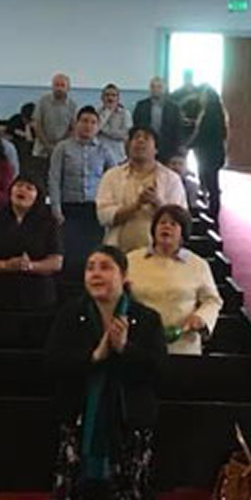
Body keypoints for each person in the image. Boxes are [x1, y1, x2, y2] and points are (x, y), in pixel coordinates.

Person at [47, 245, 166, 500]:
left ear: (124, 276)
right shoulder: (71, 316)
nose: (96, 274)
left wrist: (125, 349)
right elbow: (52, 366)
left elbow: (157, 372)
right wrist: (94, 357)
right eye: (90, 268)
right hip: (80, 430)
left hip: (129, 432)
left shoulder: (146, 319)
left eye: (105, 267)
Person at [127, 205, 222, 355]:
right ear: (153, 229)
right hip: (141, 346)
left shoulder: (197, 264)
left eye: (173, 224)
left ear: (183, 233)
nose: (166, 227)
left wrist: (201, 317)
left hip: (182, 345)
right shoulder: (131, 260)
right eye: (162, 222)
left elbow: (212, 300)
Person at [0, 176, 64, 310]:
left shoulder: (49, 222)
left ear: (38, 196)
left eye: (29, 188)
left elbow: (56, 262)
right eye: (19, 186)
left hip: (38, 296)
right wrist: (5, 265)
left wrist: (29, 266)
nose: (22, 190)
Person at [49, 106, 117, 277]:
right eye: (84, 121)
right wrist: (56, 209)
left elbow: (114, 179)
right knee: (70, 254)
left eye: (93, 122)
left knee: (92, 255)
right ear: (76, 123)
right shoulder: (62, 148)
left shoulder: (105, 150)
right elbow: (54, 178)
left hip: (94, 210)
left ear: (97, 126)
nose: (88, 126)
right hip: (69, 209)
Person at [96, 127, 188, 253]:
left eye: (146, 138)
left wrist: (158, 204)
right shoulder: (111, 176)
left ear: (156, 149)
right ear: (128, 146)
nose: (140, 141)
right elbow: (104, 216)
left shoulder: (172, 179)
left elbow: (181, 219)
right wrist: (136, 205)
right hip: (119, 252)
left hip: (160, 253)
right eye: (136, 137)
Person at [187, 85, 227, 221]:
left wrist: (187, 146)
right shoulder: (216, 112)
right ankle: (210, 207)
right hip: (212, 153)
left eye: (202, 95)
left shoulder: (210, 113)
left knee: (212, 184)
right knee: (210, 182)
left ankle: (213, 211)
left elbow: (203, 135)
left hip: (209, 154)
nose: (200, 98)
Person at [32, 73, 78, 181]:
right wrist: (47, 145)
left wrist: (59, 146)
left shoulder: (73, 105)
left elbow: (73, 128)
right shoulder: (43, 101)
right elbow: (36, 124)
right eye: (56, 85)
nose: (59, 88)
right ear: (52, 86)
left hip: (63, 151)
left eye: (62, 85)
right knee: (38, 180)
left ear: (68, 88)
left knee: (58, 180)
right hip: (41, 150)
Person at [132, 77, 182, 162]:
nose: (156, 89)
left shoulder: (174, 108)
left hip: (168, 148)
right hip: (145, 146)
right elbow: (136, 127)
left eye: (159, 87)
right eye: (153, 87)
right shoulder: (141, 106)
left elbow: (178, 129)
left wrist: (178, 148)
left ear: (164, 89)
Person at [97, 84, 133, 164]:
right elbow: (95, 130)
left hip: (118, 157)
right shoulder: (97, 112)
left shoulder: (125, 114)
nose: (110, 98)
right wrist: (107, 113)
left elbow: (125, 135)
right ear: (102, 98)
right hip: (99, 156)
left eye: (113, 95)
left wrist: (104, 130)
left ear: (118, 98)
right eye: (107, 95)